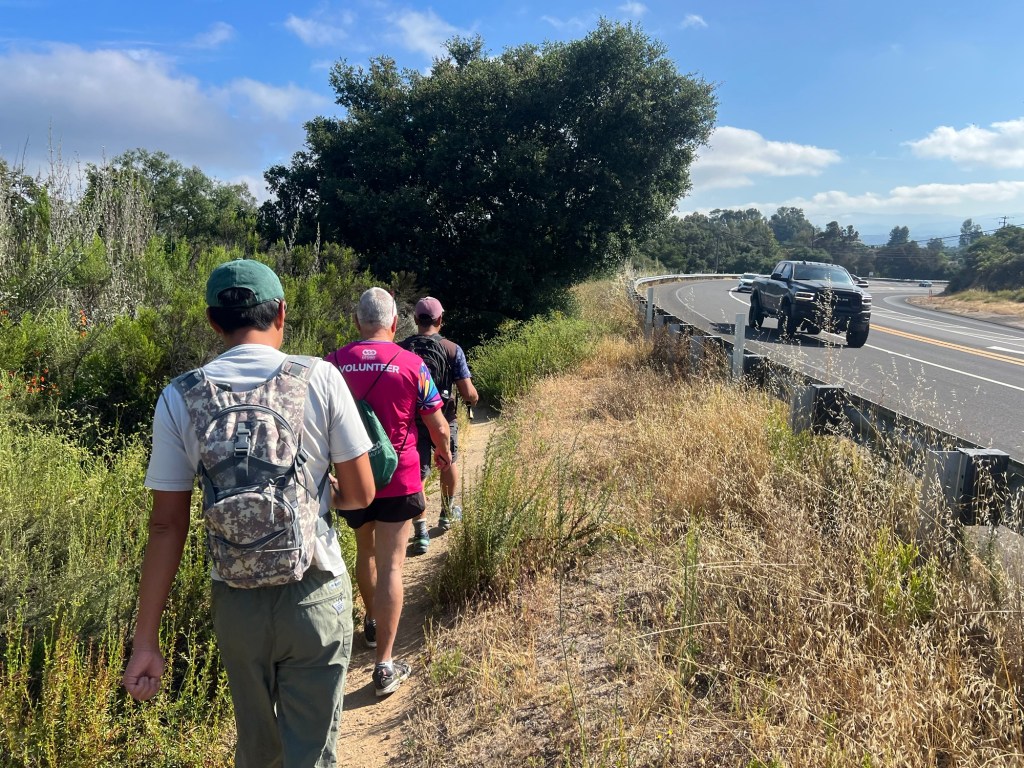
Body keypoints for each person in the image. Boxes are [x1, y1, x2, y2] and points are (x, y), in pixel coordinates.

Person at [122, 259, 376, 768]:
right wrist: (329, 497)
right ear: (281, 312)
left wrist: (145, 640)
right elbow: (363, 493)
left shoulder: (179, 396)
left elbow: (166, 525)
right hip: (314, 590)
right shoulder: (320, 377)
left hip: (237, 601)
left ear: (213, 322)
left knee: (257, 752)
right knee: (312, 754)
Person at [325, 287, 452, 696]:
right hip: (399, 478)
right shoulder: (413, 364)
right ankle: (384, 665)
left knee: (365, 552)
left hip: (351, 479)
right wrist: (444, 453)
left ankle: (371, 620)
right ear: (396, 323)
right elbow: (438, 425)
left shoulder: (331, 365)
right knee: (392, 566)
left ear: (357, 322)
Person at [399, 296, 479, 554]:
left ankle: (420, 532)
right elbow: (468, 392)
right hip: (444, 417)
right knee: (448, 462)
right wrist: (474, 399)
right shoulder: (452, 349)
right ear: (440, 319)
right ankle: (446, 514)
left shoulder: (401, 350)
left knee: (417, 475)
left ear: (415, 319)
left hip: (411, 421)